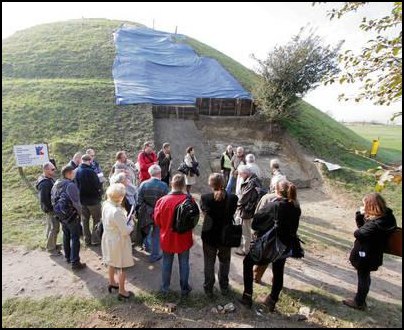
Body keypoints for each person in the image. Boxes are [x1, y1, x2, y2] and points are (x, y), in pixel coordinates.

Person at [239, 179, 301, 311]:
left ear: (277, 191)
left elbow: (256, 223)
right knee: (278, 271)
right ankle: (272, 300)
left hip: (270, 244)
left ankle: (247, 296)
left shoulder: (274, 206)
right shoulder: (296, 207)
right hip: (285, 245)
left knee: (247, 263)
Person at [343, 193, 397, 311]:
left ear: (371, 206)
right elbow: (363, 227)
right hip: (375, 253)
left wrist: (361, 215)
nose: (363, 206)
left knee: (363, 276)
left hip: (366, 254)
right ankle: (361, 300)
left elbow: (358, 233)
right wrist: (361, 215)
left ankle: (359, 302)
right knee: (365, 275)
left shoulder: (376, 224)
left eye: (364, 205)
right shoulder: (388, 217)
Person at [154, 174, 193, 296]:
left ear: (172, 184)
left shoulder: (162, 201)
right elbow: (193, 219)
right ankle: (184, 289)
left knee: (166, 262)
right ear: (183, 186)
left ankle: (165, 289)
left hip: (167, 237)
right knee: (184, 263)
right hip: (184, 237)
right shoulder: (189, 200)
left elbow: (157, 220)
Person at [201, 173, 238, 298]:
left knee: (209, 262)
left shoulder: (205, 198)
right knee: (225, 262)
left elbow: (204, 214)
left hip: (209, 235)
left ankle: (209, 288)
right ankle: (224, 286)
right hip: (226, 236)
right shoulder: (233, 198)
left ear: (211, 184)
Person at [101, 183, 135, 301]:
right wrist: (132, 223)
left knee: (111, 261)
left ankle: (112, 282)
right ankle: (122, 290)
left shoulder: (106, 204)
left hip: (108, 237)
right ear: (120, 197)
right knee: (121, 266)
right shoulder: (116, 211)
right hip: (118, 241)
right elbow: (125, 231)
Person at [51, 165, 86, 270]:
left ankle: (68, 257)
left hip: (61, 215)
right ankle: (75, 262)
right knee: (75, 238)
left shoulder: (56, 184)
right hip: (72, 216)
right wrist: (80, 215)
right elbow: (76, 203)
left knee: (66, 235)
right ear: (69, 173)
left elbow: (53, 199)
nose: (74, 174)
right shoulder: (71, 185)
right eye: (73, 172)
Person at [136, 165, 169, 262]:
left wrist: (147, 209)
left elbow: (139, 200)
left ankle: (147, 247)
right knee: (156, 233)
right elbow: (165, 202)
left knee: (146, 229)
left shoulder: (143, 184)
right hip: (158, 213)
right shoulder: (164, 185)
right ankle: (154, 255)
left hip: (146, 212)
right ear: (159, 173)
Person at [75, 154, 103, 246]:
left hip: (82, 201)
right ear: (89, 161)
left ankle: (87, 240)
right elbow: (97, 185)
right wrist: (100, 193)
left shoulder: (77, 171)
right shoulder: (91, 172)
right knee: (96, 220)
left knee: (84, 220)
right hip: (93, 201)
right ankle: (95, 239)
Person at [235, 165, 262, 256]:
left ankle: (245, 250)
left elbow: (243, 198)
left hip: (247, 211)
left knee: (246, 231)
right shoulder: (254, 179)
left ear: (245, 173)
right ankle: (250, 247)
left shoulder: (251, 182)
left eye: (240, 174)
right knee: (249, 230)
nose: (239, 176)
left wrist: (237, 205)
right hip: (251, 210)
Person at [36, 161, 61, 256]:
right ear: (46, 170)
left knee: (51, 227)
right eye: (52, 169)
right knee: (55, 228)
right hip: (51, 209)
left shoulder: (46, 178)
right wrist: (52, 209)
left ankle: (51, 244)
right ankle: (51, 248)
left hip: (50, 208)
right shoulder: (45, 183)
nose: (54, 171)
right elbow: (45, 199)